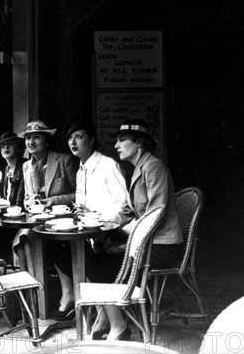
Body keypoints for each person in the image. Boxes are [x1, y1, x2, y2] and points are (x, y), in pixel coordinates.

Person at [90, 118, 183, 341]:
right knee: (97, 253)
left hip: (162, 246)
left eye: (122, 140)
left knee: (100, 264)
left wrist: (125, 232)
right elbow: (125, 211)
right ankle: (106, 319)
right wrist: (100, 223)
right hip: (148, 242)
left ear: (139, 143)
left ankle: (118, 326)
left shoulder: (153, 167)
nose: (116, 146)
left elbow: (156, 214)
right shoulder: (138, 168)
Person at [51, 121, 129, 321]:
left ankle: (104, 312)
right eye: (70, 138)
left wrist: (98, 219)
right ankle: (87, 304)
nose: (73, 142)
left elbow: (123, 207)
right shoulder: (81, 170)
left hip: (112, 235)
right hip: (91, 234)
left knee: (86, 259)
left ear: (92, 140)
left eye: (79, 137)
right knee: (57, 247)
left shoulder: (108, 165)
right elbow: (83, 205)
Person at [18, 120, 79, 317]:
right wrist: (29, 202)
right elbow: (28, 196)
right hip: (38, 221)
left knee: (51, 244)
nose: (31, 142)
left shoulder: (64, 160)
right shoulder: (27, 166)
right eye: (28, 138)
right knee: (24, 239)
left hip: (64, 220)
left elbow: (79, 194)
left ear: (46, 141)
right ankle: (33, 300)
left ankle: (68, 294)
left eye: (36, 137)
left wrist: (52, 200)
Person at [0, 131, 26, 207]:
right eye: (3, 144)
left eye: (10, 144)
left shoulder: (25, 166)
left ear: (18, 147)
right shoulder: (7, 169)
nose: (6, 147)